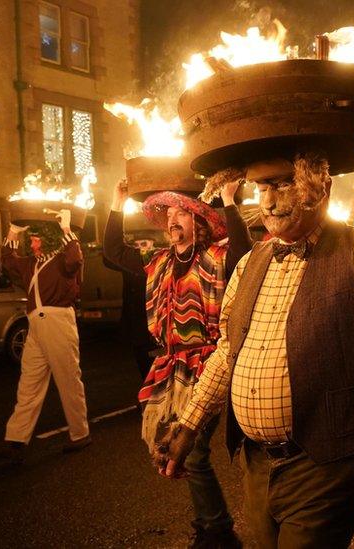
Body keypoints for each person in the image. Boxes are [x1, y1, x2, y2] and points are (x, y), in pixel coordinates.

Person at [154, 92, 354, 548]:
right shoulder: (254, 260)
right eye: (260, 188)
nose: (268, 203)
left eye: (282, 183)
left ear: (320, 185)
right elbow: (229, 352)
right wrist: (188, 425)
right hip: (256, 466)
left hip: (323, 466)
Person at [104, 177, 251, 548]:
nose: (172, 220)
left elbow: (242, 253)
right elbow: (112, 253)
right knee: (173, 447)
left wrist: (230, 201)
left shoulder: (216, 256)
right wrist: (115, 202)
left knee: (196, 449)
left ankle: (217, 528)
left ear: (198, 222)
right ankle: (208, 523)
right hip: (171, 366)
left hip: (210, 362)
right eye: (168, 213)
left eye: (181, 213)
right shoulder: (158, 262)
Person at [0, 210, 89, 462]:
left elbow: (75, 260)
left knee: (68, 379)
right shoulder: (31, 264)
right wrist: (13, 230)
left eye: (34, 240)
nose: (30, 244)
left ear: (48, 240)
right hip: (36, 324)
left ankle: (80, 433)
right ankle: (15, 440)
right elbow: (7, 260)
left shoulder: (62, 260)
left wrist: (66, 230)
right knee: (29, 383)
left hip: (58, 322)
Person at [103, 234, 158, 379]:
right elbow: (108, 259)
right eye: (137, 245)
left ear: (153, 245)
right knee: (143, 367)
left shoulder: (158, 261)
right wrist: (119, 239)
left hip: (154, 324)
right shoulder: (131, 263)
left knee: (157, 369)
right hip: (136, 325)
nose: (140, 248)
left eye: (144, 243)